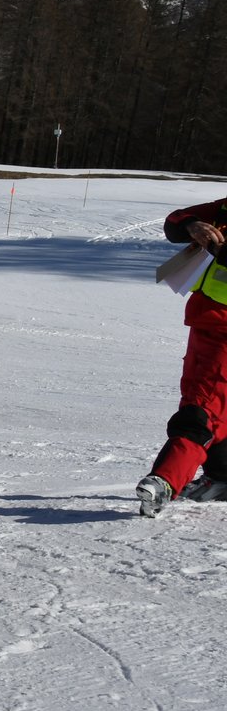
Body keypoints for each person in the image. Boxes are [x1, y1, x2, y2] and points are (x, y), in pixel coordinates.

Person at [137, 197, 227, 515]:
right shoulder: (224, 207)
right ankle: (220, 478)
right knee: (201, 398)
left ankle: (165, 480)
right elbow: (174, 221)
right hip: (206, 320)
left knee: (202, 408)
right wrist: (193, 226)